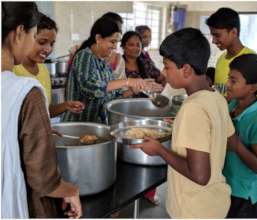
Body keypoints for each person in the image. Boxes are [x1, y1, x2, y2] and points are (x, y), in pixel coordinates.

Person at [131, 28, 235, 218]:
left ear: (186, 69)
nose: (164, 72)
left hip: (193, 209)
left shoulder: (192, 108)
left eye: (167, 66)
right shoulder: (216, 97)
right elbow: (227, 138)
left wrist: (160, 150)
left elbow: (200, 176)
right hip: (214, 203)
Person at [1, 2, 82, 218]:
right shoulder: (24, 90)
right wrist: (69, 190)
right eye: (36, 36)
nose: (46, 48)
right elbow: (42, 177)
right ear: (20, 32)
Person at [61, 17, 152, 123]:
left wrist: (133, 90)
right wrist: (128, 81)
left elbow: (112, 96)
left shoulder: (103, 64)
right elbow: (91, 88)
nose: (115, 47)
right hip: (77, 125)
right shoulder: (84, 56)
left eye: (117, 43)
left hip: (96, 125)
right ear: (98, 38)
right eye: (112, 42)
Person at [224, 54, 257, 218]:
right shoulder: (233, 105)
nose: (227, 84)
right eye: (228, 78)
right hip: (225, 186)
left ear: (252, 87)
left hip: (242, 196)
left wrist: (236, 145)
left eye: (233, 81)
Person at [13, 13, 85, 118]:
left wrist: (65, 105)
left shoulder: (43, 70)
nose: (48, 49)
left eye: (51, 44)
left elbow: (45, 111)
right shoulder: (13, 69)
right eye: (42, 42)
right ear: (26, 37)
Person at [206, 7, 257, 108]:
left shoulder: (251, 61)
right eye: (212, 36)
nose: (213, 41)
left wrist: (234, 104)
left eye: (217, 35)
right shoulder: (221, 59)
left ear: (233, 32)